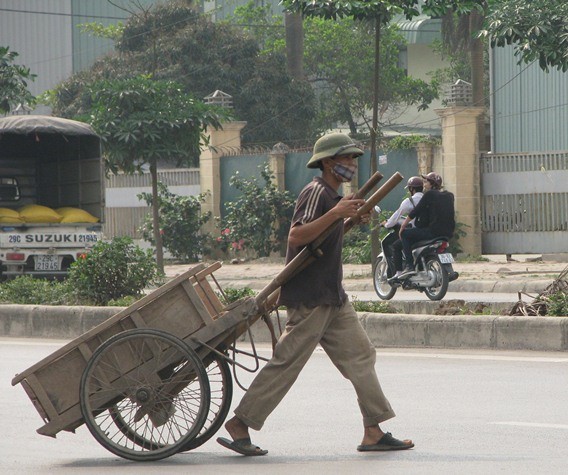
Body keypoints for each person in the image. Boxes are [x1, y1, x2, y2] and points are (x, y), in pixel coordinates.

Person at [217, 132, 414, 456]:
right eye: (346, 159)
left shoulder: (334, 198)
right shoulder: (316, 192)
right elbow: (297, 235)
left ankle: (373, 430)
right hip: (309, 298)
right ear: (327, 163)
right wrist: (337, 215)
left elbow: (326, 232)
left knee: (361, 356)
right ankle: (241, 423)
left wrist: (350, 217)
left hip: (332, 296)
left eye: (353, 159)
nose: (351, 164)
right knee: (287, 363)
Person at [398, 172, 455, 276]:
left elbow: (416, 211)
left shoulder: (429, 194)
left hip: (434, 232)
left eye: (426, 182)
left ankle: (409, 266)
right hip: (448, 233)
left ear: (431, 184)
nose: (424, 184)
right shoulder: (449, 195)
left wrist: (403, 226)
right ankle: (449, 270)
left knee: (405, 234)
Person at [381, 176, 424, 280]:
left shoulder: (409, 201)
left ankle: (399, 272)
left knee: (396, 245)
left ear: (411, 189)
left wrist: (386, 224)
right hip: (428, 231)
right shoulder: (428, 198)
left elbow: (396, 216)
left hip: (416, 232)